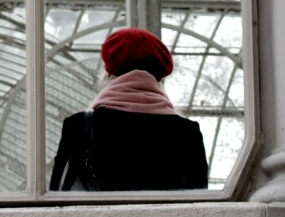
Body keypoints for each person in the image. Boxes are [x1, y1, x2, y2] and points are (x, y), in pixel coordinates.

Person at [49, 27, 209, 191]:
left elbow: (58, 194)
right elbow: (199, 203)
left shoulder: (80, 125)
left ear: (108, 73)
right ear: (159, 78)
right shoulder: (188, 133)